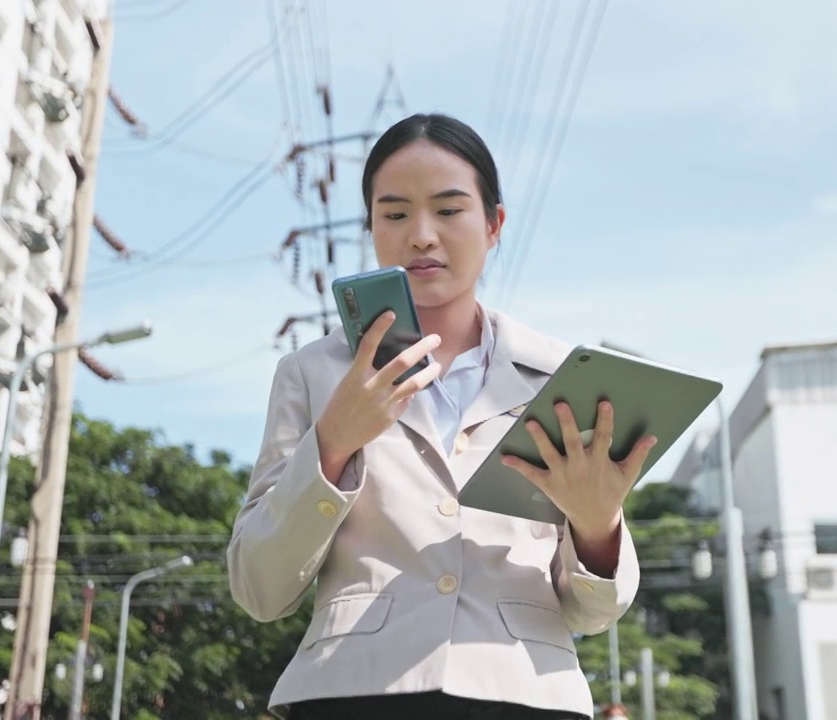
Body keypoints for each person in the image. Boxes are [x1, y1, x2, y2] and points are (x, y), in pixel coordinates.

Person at [227, 113, 657, 720]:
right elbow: (259, 588)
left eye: (450, 211)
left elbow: (593, 612)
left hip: (526, 693)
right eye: (395, 214)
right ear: (372, 227)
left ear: (494, 224)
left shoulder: (567, 375)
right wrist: (331, 446)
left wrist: (596, 528)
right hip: (352, 693)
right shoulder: (314, 372)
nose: (422, 236)